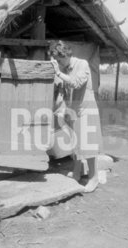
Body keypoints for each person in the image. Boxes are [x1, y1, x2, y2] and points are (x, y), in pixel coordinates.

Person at [49, 41, 102, 193]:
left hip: (86, 109)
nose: (58, 64)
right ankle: (77, 173)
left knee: (89, 145)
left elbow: (76, 83)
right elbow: (63, 91)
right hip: (73, 110)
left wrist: (58, 73)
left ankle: (93, 177)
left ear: (64, 55)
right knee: (75, 144)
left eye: (59, 60)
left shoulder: (82, 64)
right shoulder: (64, 68)